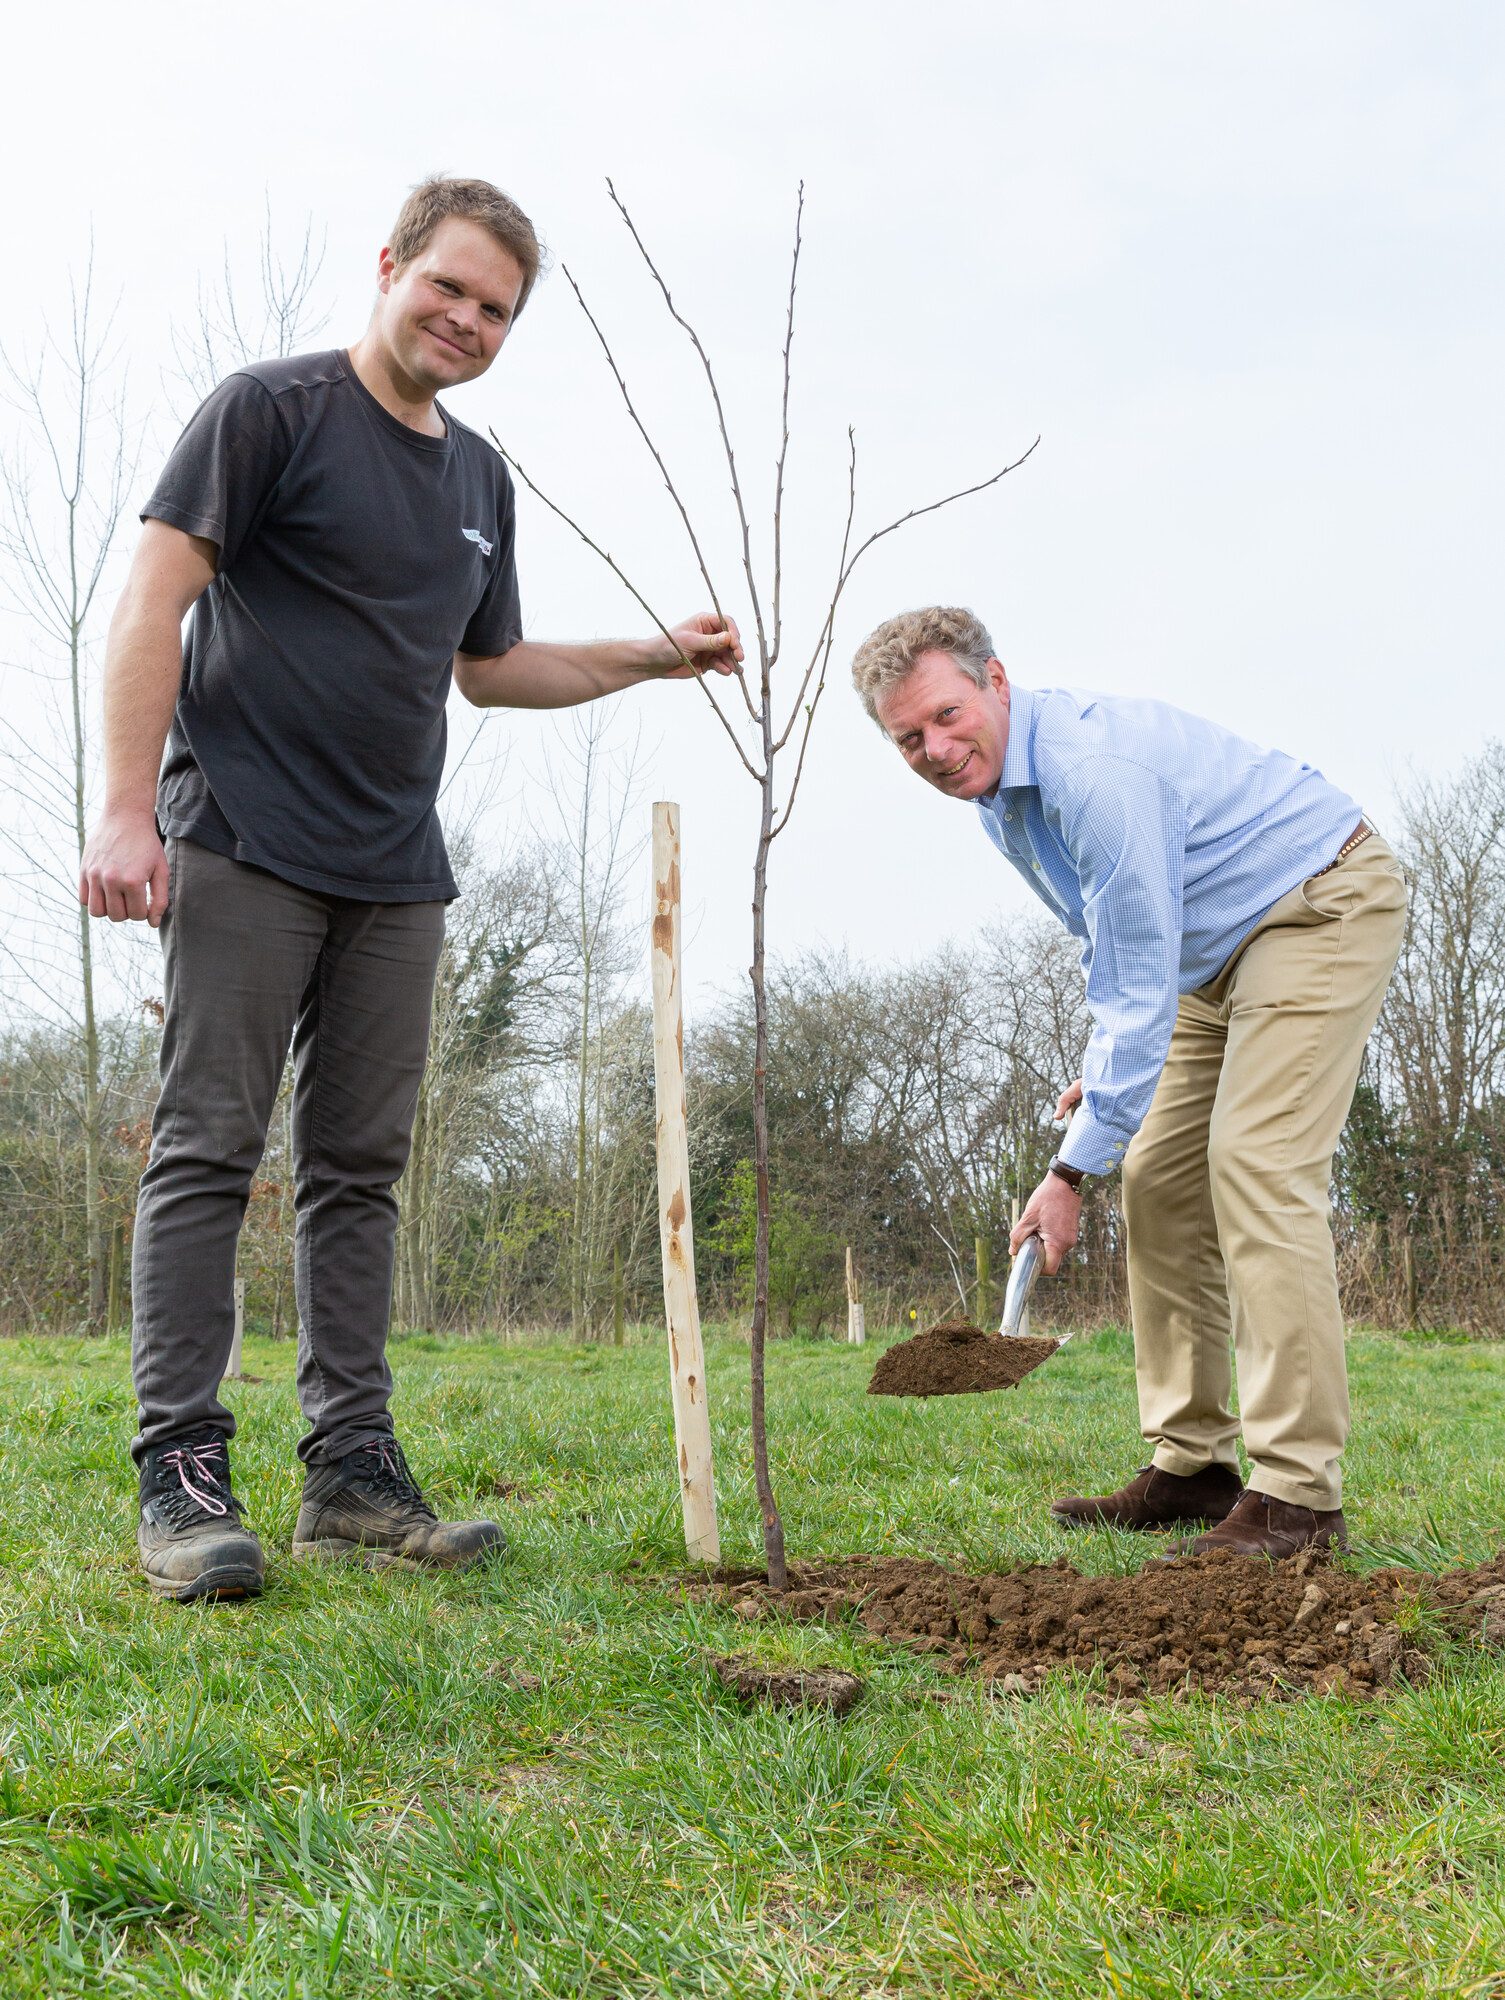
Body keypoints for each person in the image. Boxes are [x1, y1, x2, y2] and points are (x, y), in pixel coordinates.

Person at [80, 176, 742, 1602]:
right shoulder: (270, 412)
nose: (468, 320)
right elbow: (153, 599)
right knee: (208, 1149)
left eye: (497, 309)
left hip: (396, 871)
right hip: (244, 837)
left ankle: (352, 1474)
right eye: (449, 287)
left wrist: (654, 656)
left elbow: (491, 671)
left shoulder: (477, 481)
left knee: (360, 1171)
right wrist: (128, 811)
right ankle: (184, 1472)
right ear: (388, 266)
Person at [851, 606, 1406, 1558]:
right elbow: (1116, 947)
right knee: (1155, 1176)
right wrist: (1109, 1079)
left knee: (1257, 1165)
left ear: (995, 681)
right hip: (1207, 956)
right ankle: (1193, 1466)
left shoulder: (1088, 775)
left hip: (1315, 902)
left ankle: (1299, 1499)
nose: (935, 750)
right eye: (909, 738)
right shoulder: (1002, 798)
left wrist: (1066, 1176)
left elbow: (1137, 962)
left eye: (945, 716)